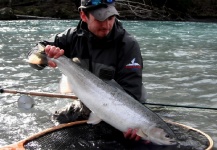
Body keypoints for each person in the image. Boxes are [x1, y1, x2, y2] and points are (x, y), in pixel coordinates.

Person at [28, 0, 147, 142]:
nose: (107, 25)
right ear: (84, 16)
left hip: (123, 110)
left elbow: (132, 93)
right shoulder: (71, 37)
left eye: (110, 18)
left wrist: (132, 124)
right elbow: (33, 54)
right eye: (100, 19)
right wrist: (45, 56)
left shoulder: (128, 45)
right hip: (87, 105)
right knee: (55, 121)